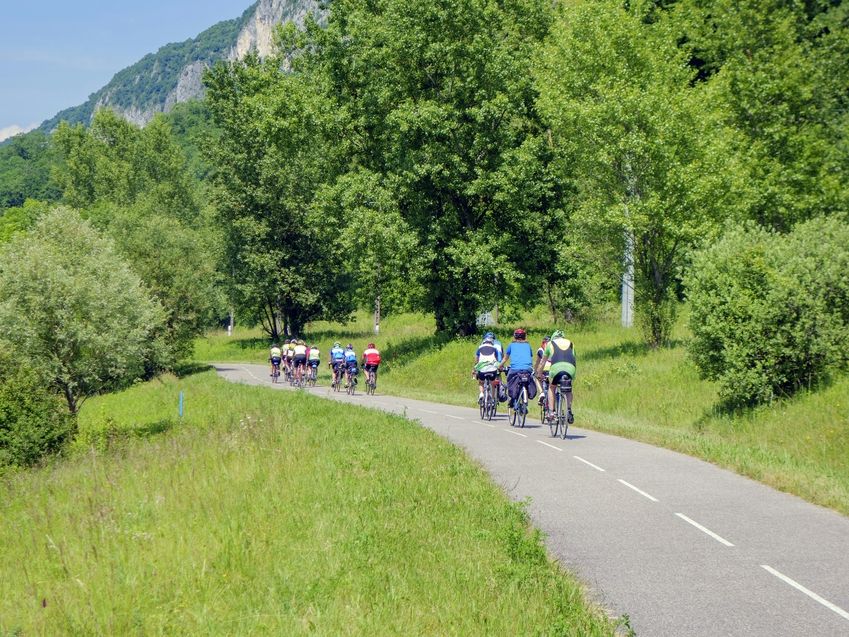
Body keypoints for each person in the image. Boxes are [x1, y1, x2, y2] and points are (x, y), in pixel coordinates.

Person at [536, 330, 576, 424]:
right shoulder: (571, 343)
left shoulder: (550, 343)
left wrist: (539, 373)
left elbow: (543, 362)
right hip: (571, 369)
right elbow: (574, 359)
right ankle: (569, 410)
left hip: (556, 369)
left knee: (552, 387)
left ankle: (552, 412)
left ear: (554, 337)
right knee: (569, 390)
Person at [500, 328, 537, 410]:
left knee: (510, 379)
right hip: (528, 369)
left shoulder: (511, 345)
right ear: (524, 337)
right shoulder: (528, 345)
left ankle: (512, 399)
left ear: (515, 336)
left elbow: (505, 358)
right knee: (528, 380)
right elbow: (530, 356)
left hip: (515, 369)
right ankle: (525, 397)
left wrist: (500, 366)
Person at [473, 335, 502, 404]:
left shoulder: (480, 348)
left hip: (482, 369)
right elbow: (498, 360)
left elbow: (476, 359)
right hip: (492, 369)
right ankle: (492, 399)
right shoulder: (495, 348)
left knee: (481, 382)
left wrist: (475, 369)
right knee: (493, 384)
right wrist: (499, 368)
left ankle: (481, 394)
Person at [535, 336, 551, 405]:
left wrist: (535, 371)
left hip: (544, 368)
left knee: (537, 378)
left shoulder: (540, 350)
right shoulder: (554, 349)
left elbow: (538, 363)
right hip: (553, 369)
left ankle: (541, 393)